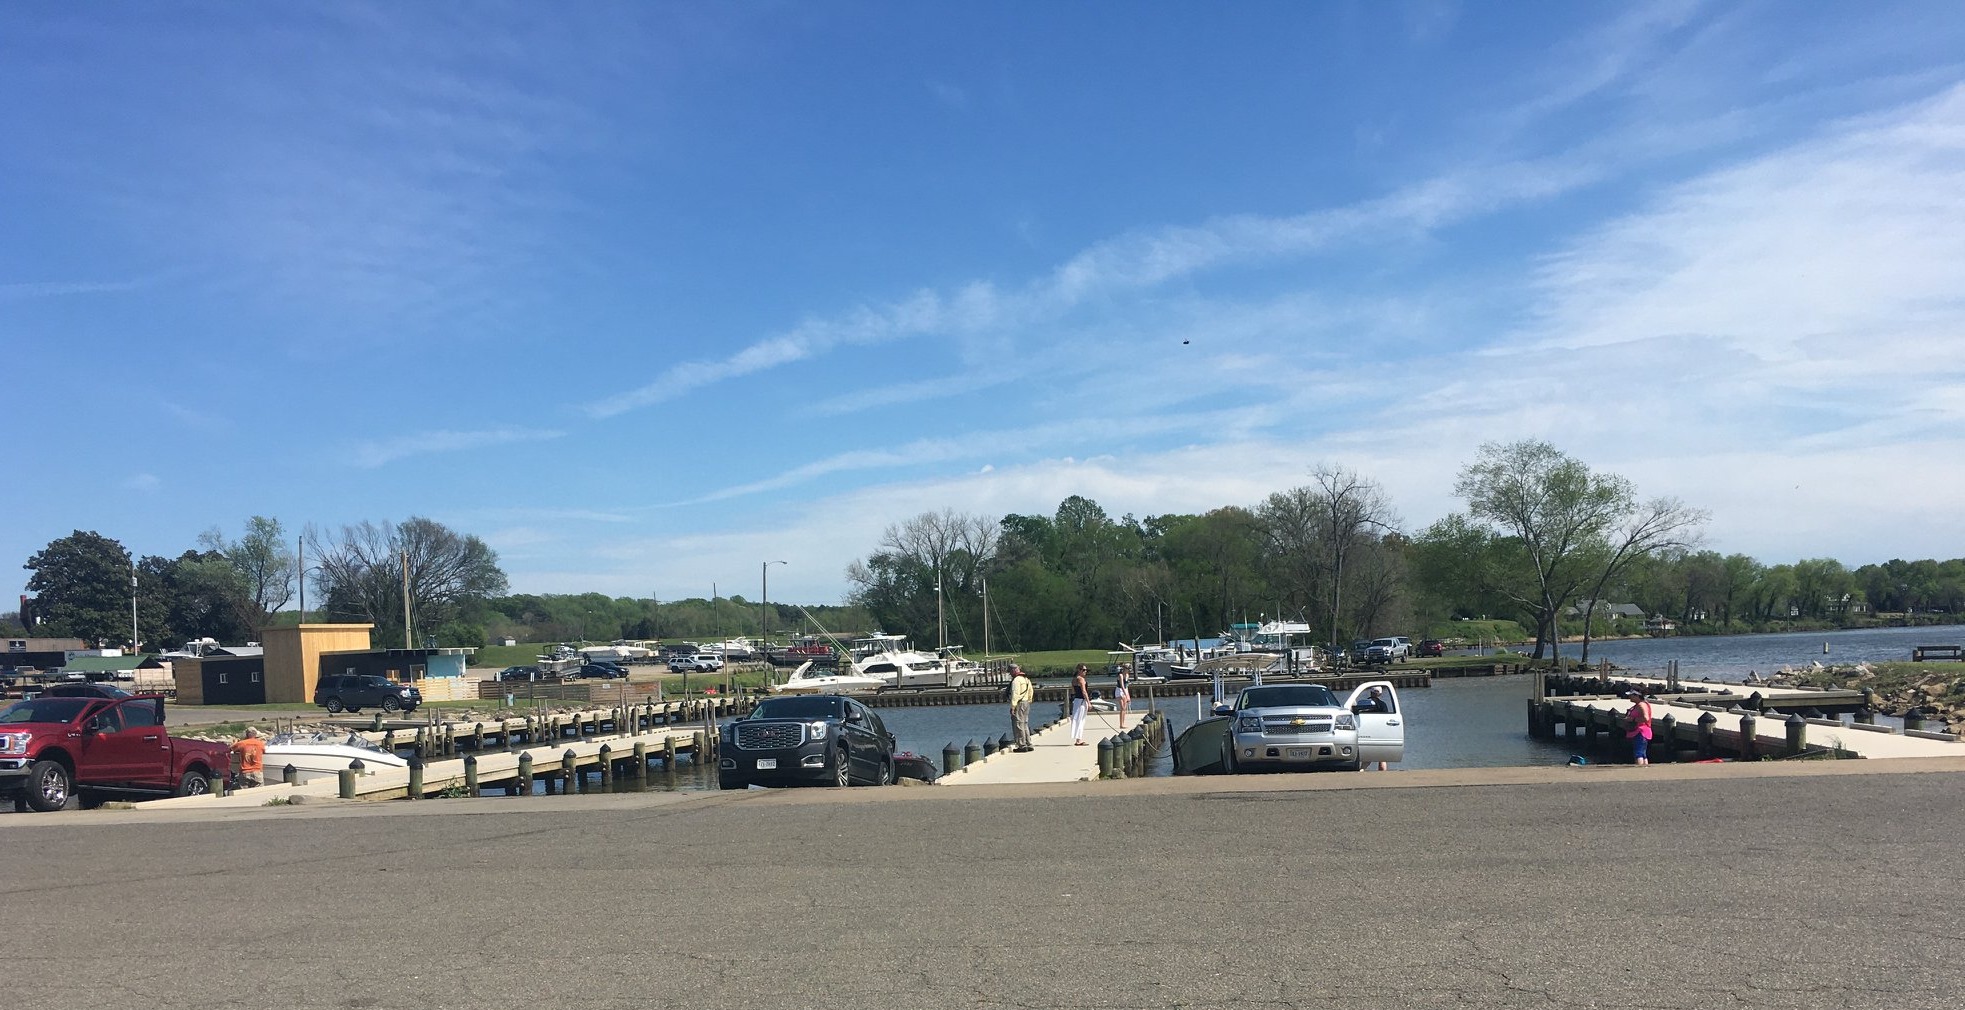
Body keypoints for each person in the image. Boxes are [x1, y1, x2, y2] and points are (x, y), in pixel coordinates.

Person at [1354, 687, 1391, 770]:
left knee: (1368, 755)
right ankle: (1382, 776)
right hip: (1381, 732)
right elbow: (1385, 719)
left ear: (1370, 692)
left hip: (1368, 732)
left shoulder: (1364, 704)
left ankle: (1361, 771)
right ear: (1380, 694)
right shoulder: (1383, 705)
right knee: (1382, 757)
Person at [1623, 689, 1654, 766]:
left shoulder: (1641, 705)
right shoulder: (1639, 704)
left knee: (1638, 753)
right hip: (1640, 731)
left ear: (1637, 696)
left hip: (1640, 731)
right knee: (1642, 753)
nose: (1629, 697)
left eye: (1631, 695)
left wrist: (1632, 719)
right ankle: (1644, 769)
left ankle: (1639, 769)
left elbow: (1646, 718)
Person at [1008, 664, 1034, 752]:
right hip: (1026, 702)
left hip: (1019, 703)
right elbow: (1031, 691)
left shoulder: (1016, 680)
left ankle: (1021, 745)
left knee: (1018, 724)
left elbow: (1015, 694)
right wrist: (1029, 700)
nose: (1010, 673)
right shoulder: (1026, 679)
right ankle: (1028, 743)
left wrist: (1013, 706)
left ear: (1014, 671)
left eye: (1010, 671)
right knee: (1025, 723)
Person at [1069, 665, 1092, 745]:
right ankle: (1078, 740)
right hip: (1081, 701)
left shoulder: (1074, 679)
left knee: (1076, 719)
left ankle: (1078, 738)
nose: (1085, 671)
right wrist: (1088, 702)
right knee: (1081, 720)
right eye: (1084, 670)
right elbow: (1084, 691)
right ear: (1079, 670)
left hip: (1076, 700)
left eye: (1086, 670)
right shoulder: (1081, 679)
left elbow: (1073, 692)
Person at [1113, 664, 1132, 730]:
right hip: (1119, 690)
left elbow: (1126, 686)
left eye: (1129, 669)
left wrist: (1128, 695)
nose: (1129, 670)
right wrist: (1125, 694)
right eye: (1127, 669)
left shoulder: (1127, 675)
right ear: (1124, 669)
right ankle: (1121, 724)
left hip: (1125, 691)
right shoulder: (1120, 675)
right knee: (1122, 707)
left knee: (1125, 707)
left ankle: (1123, 723)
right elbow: (1122, 685)